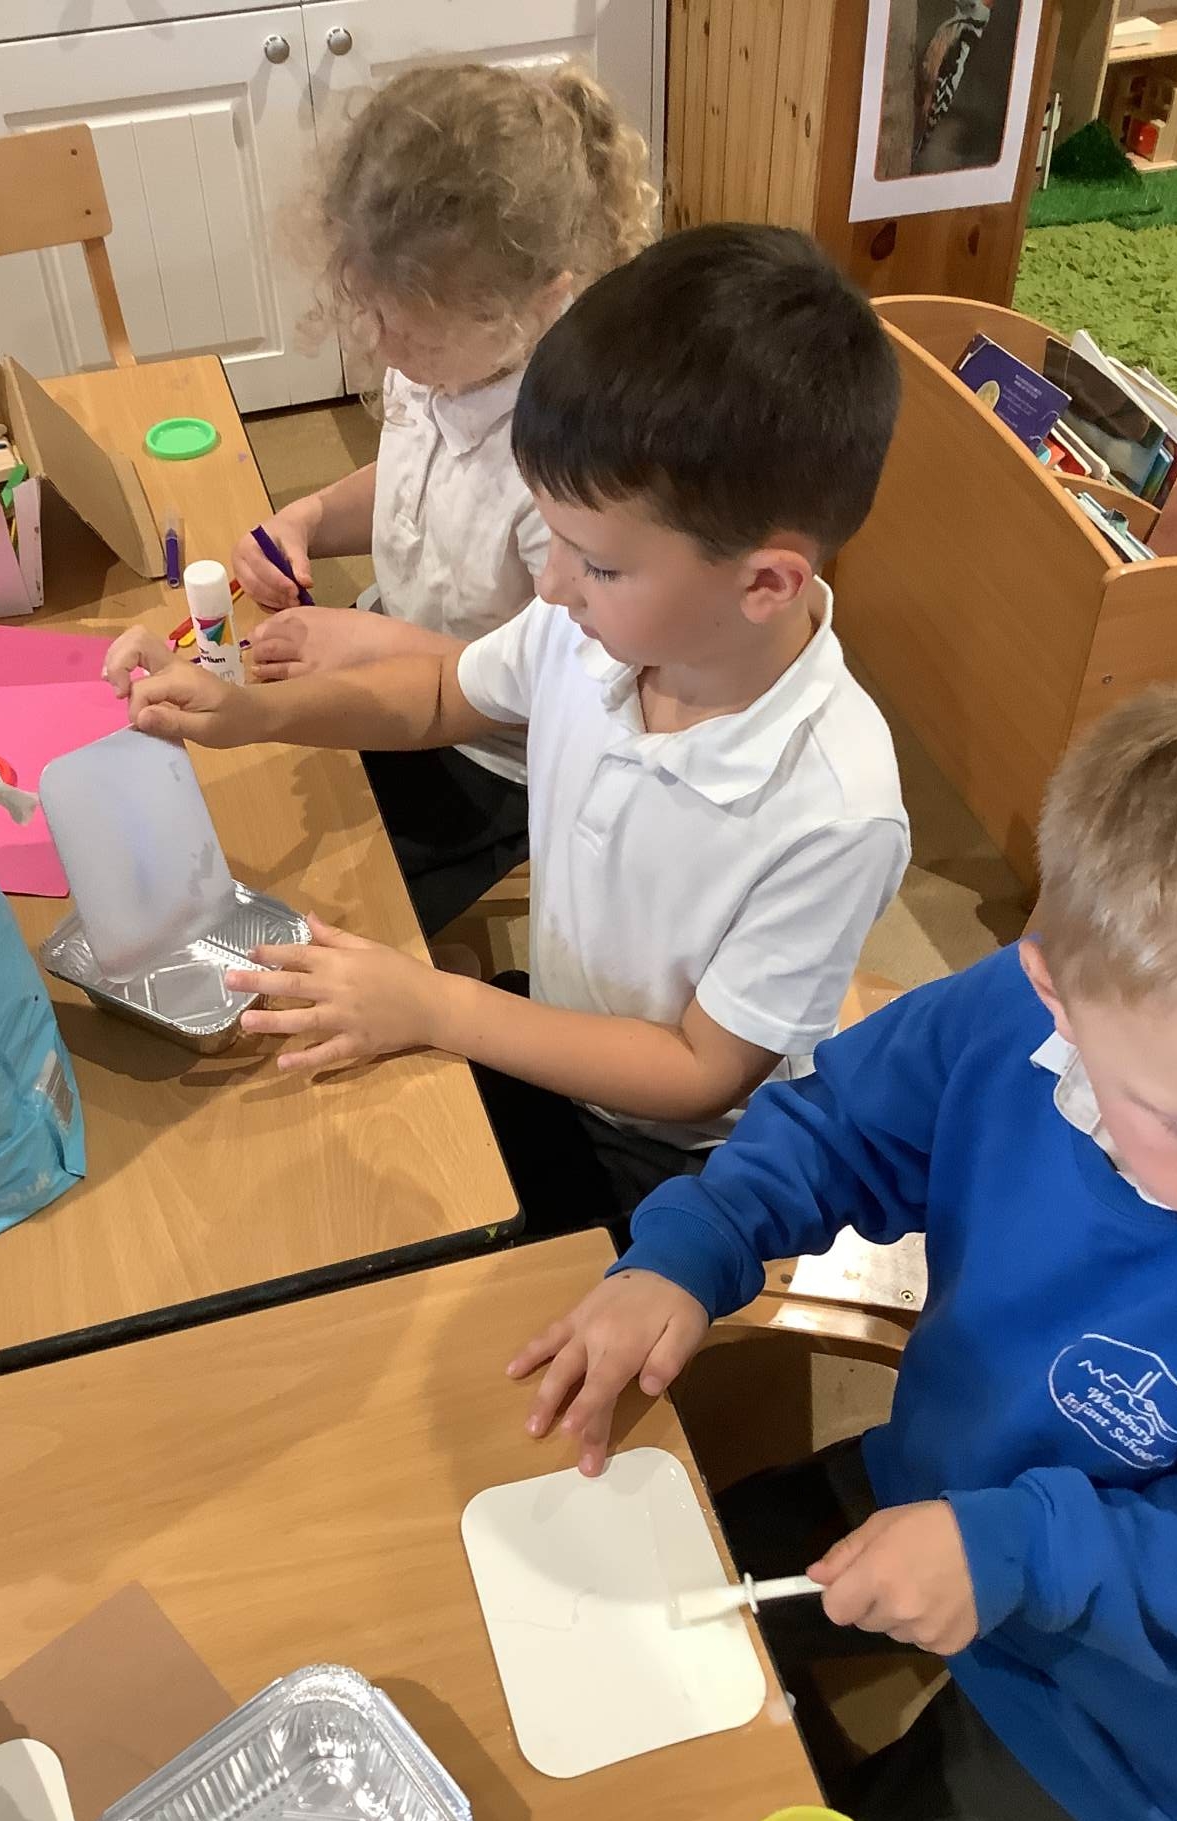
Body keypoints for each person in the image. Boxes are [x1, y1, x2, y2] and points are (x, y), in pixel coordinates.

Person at [510, 683, 1177, 1821]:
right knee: (607, 1624)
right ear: (1056, 1000)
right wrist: (692, 1248)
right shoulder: (1010, 1021)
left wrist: (1019, 1551)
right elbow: (843, 1126)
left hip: (1141, 1713)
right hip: (936, 1484)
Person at [111, 225, 909, 1243]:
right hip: (556, 1036)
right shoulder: (599, 630)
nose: (552, 584)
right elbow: (444, 692)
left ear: (766, 583)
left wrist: (438, 1008)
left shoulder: (833, 811)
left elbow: (697, 1072)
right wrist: (259, 716)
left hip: (678, 1162)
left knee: (393, 1243)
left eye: (596, 562)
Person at [233, 61, 655, 936]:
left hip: (496, 758)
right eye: (373, 314)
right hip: (393, 656)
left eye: (413, 331)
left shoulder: (574, 467)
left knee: (319, 924)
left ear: (541, 303)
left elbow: (568, 687)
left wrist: (373, 646)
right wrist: (307, 517)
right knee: (236, 797)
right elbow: (411, 480)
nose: (385, 348)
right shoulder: (449, 365)